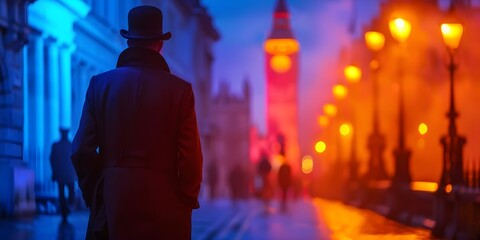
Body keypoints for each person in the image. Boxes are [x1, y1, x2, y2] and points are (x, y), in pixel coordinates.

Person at [71, 5, 203, 240]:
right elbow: (191, 158)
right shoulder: (180, 91)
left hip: (113, 200)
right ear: (160, 45)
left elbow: (81, 150)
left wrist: (98, 191)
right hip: (166, 201)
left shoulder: (99, 85)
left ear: (128, 42)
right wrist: (184, 199)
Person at [50, 128, 76, 223]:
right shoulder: (71, 145)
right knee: (69, 193)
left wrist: (54, 172)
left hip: (62, 173)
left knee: (62, 193)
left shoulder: (56, 145)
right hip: (69, 173)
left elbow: (52, 160)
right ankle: (66, 209)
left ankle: (65, 209)